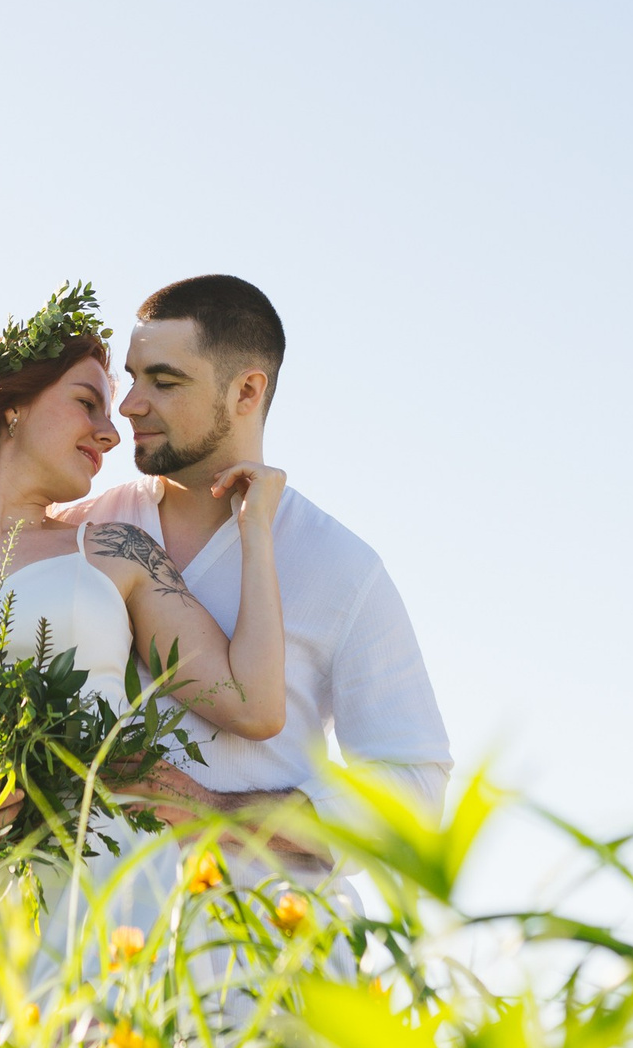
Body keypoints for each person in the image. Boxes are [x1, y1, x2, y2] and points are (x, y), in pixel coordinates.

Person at [0, 281, 293, 856]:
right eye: (86, 402)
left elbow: (255, 704)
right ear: (13, 404)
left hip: (93, 872)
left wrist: (255, 532)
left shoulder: (120, 552)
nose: (111, 430)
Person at [54, 275, 451, 858]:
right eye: (134, 378)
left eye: (164, 381)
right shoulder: (74, 533)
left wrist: (216, 812)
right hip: (82, 929)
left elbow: (414, 789)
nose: (130, 404)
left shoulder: (340, 566)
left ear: (246, 392)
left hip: (258, 933)